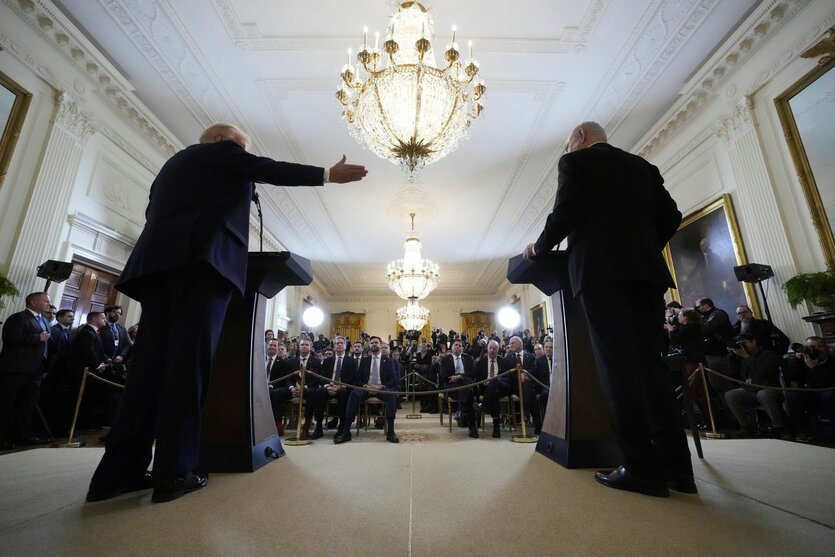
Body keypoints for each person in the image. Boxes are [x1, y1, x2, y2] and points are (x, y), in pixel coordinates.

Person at [86, 123, 367, 503]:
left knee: (147, 374)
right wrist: (327, 175)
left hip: (156, 270)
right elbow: (269, 168)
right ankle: (175, 472)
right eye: (240, 147)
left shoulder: (172, 167)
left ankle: (117, 475)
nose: (242, 156)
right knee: (188, 370)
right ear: (220, 141)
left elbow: (156, 211)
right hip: (202, 268)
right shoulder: (219, 153)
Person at [524, 121, 693, 497]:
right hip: (647, 276)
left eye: (568, 144)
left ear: (581, 138)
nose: (567, 150)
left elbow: (564, 213)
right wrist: (642, 246)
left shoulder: (576, 163)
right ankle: (678, 471)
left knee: (618, 369)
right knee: (651, 368)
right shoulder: (642, 167)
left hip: (600, 276)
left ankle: (640, 468)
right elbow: (672, 217)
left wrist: (538, 247)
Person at [0, 292, 52, 449]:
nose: (49, 305)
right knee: (6, 405)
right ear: (33, 302)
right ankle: (1, 437)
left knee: (27, 406)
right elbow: (10, 339)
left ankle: (21, 435)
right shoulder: (18, 318)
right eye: (46, 301)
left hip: (35, 371)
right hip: (16, 370)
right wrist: (37, 338)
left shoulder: (44, 321)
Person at [334, 336, 399, 444]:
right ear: (369, 345)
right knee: (354, 395)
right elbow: (358, 379)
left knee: (391, 395)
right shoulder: (365, 360)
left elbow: (393, 379)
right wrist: (365, 386)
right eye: (372, 342)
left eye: (376, 342)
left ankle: (391, 432)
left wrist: (381, 387)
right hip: (366, 388)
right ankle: (346, 432)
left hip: (381, 388)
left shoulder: (388, 361)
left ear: (380, 344)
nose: (374, 344)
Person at [724, 333, 789, 439]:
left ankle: (780, 428)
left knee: (763, 394)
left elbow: (763, 371)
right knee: (730, 395)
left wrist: (746, 357)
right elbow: (732, 375)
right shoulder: (740, 357)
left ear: (753, 341)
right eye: (740, 344)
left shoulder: (768, 354)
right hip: (750, 390)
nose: (743, 347)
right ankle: (746, 426)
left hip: (770, 388)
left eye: (744, 343)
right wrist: (732, 356)